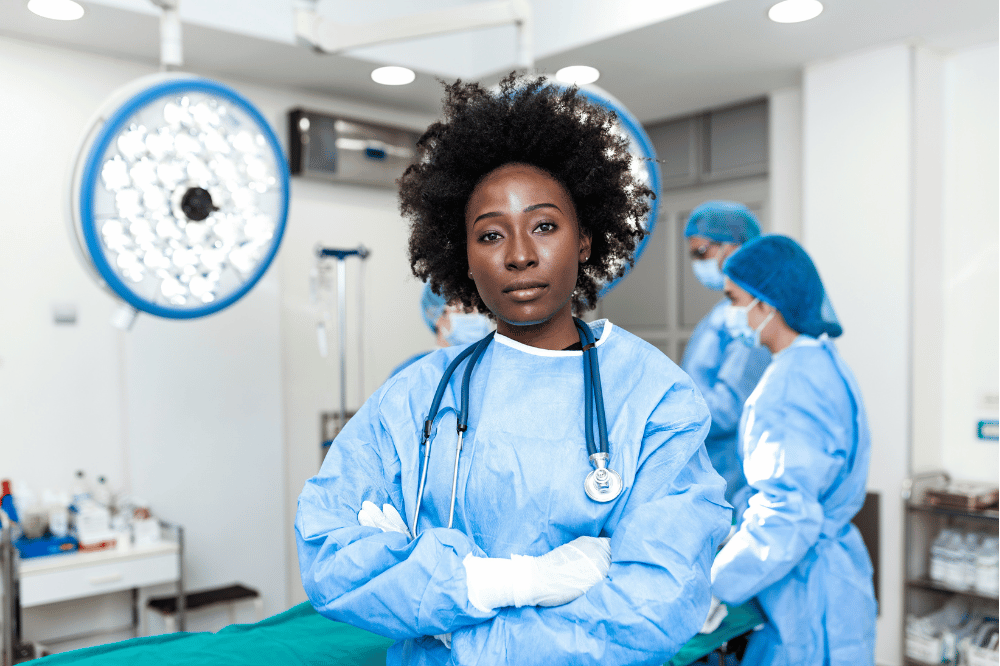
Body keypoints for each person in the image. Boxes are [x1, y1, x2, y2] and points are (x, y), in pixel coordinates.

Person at [296, 75, 730, 665]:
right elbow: (327, 553)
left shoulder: (653, 399)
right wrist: (507, 584)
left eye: (545, 226)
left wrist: (447, 617)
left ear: (585, 241)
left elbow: (656, 603)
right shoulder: (421, 396)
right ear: (464, 258)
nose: (520, 254)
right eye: (491, 234)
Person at [710, 235, 877, 665]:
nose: (730, 315)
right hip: (837, 582)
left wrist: (714, 586)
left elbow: (788, 517)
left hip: (805, 596)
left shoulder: (788, 384)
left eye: (734, 300)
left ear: (766, 304)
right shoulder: (824, 362)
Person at [682, 201, 771, 514]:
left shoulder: (749, 318)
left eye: (701, 252)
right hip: (709, 470)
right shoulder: (724, 314)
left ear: (734, 248)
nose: (696, 262)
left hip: (728, 476)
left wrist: (666, 410)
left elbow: (728, 409)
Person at [390, 282, 493, 377]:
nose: (479, 317)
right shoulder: (412, 374)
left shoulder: (492, 367)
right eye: (467, 310)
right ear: (438, 316)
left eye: (481, 310)